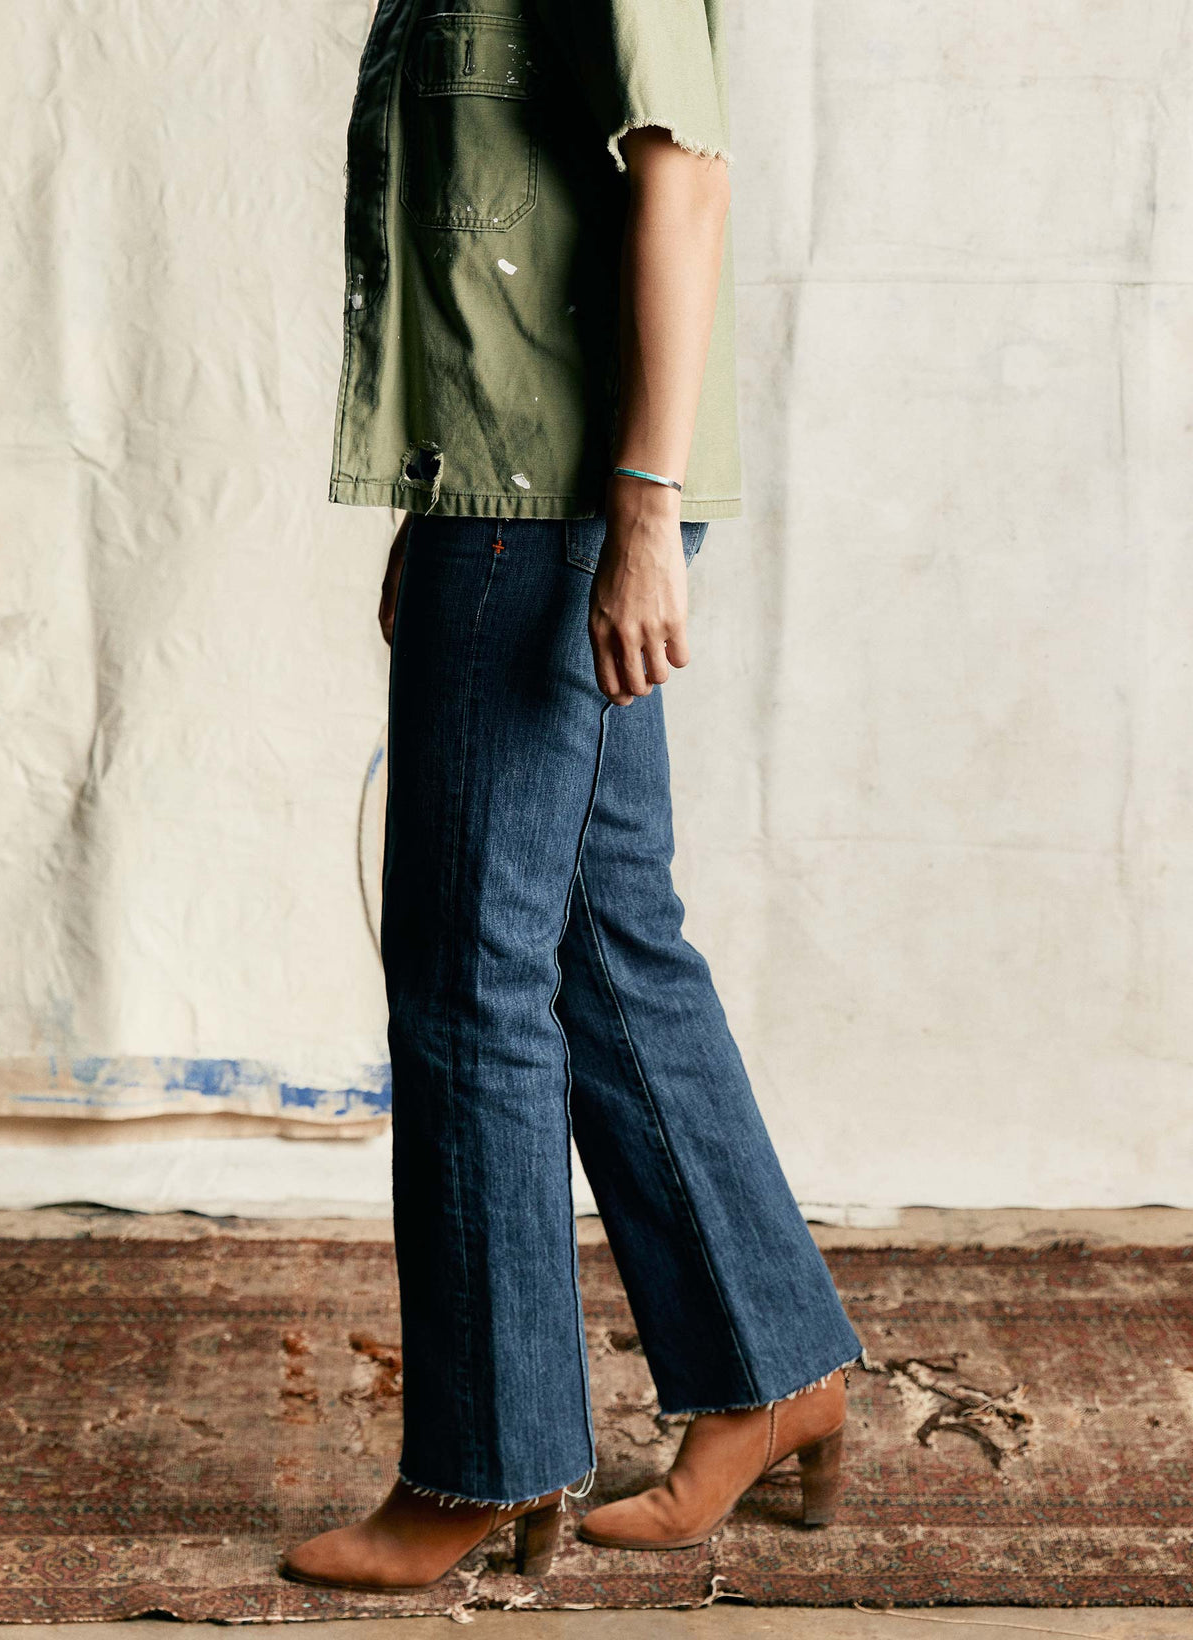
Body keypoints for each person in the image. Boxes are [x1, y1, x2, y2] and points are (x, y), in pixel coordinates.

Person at [279, 0, 864, 1592]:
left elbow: (686, 177)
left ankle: (482, 1460)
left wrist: (646, 508)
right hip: (503, 496)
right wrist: (437, 500)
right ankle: (769, 1372)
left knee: (466, 978)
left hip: (561, 503)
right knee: (607, 940)